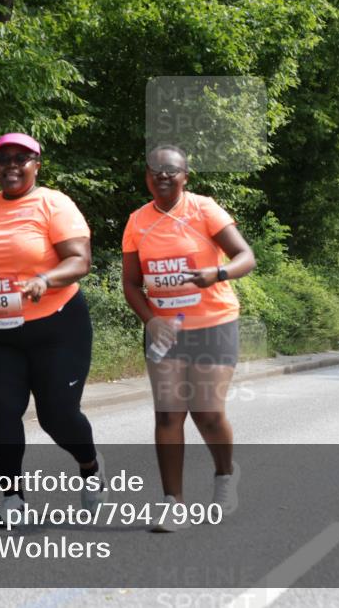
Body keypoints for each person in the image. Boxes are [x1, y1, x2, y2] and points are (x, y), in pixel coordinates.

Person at [0, 132, 106, 521]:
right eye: (3, 159)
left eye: (21, 158)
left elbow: (79, 260)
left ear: (36, 165)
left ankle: (90, 465)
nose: (11, 165)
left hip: (57, 327)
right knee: (2, 413)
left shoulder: (54, 204)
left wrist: (45, 280)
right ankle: (12, 499)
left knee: (58, 416)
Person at [121, 145, 256, 532]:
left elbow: (246, 256)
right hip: (165, 329)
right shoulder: (137, 221)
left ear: (185, 177)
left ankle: (225, 475)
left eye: (171, 170)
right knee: (168, 413)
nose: (162, 175)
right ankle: (172, 503)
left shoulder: (203, 209)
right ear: (147, 176)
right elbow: (131, 284)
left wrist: (219, 274)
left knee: (207, 413)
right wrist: (150, 320)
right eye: (155, 170)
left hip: (213, 322)